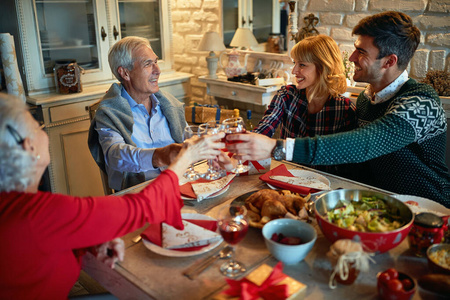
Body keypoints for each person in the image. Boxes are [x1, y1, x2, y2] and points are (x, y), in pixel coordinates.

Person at [0, 94, 224, 298]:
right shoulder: (43, 213)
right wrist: (185, 158)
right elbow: (142, 206)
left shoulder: (16, 207)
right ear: (29, 146)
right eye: (38, 126)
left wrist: (86, 243)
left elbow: (35, 250)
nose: (43, 131)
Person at [226, 11, 450, 207]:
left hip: (429, 209)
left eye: (361, 52)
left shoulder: (421, 101)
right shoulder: (364, 99)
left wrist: (277, 147)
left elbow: (367, 142)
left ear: (389, 62)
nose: (351, 57)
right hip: (379, 204)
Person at [88, 36, 187, 191]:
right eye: (148, 64)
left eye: (156, 62)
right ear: (125, 73)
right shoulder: (109, 112)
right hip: (138, 194)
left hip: (181, 185)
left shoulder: (169, 104)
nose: (158, 70)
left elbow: (188, 138)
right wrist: (160, 156)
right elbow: (115, 155)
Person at [253, 34, 357, 175]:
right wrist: (244, 146)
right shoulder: (287, 95)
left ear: (323, 68)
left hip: (324, 184)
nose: (294, 71)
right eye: (295, 63)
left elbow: (346, 163)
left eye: (302, 65)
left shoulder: (344, 109)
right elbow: (265, 127)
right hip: (286, 176)